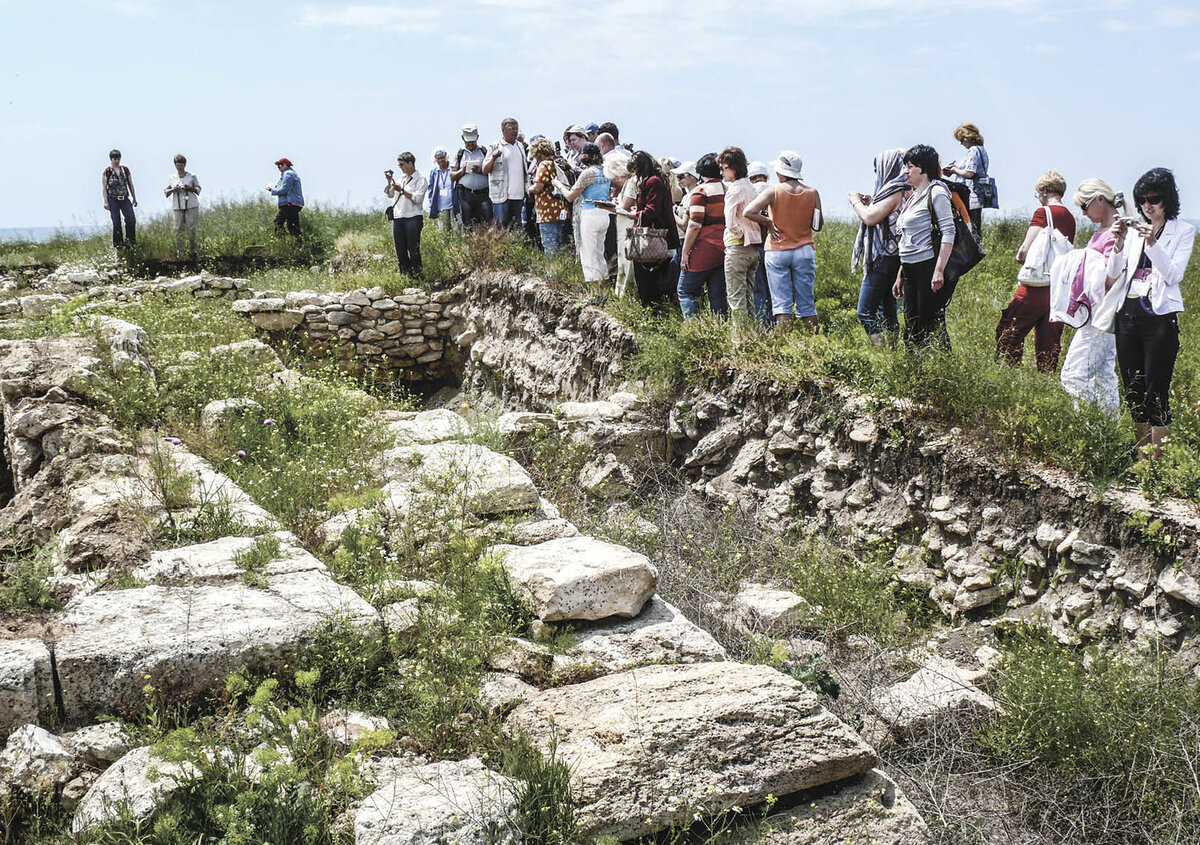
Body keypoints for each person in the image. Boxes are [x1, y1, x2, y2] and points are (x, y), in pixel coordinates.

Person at [1109, 168, 1195, 458]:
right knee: (1133, 390)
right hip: (1128, 314)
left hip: (1159, 318)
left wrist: (1153, 244)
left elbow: (1173, 275)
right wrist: (1119, 243)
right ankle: (1141, 458)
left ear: (1167, 200)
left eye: (1155, 199)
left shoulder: (1182, 231)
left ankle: (1156, 462)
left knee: (1156, 392)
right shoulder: (1134, 229)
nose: (1148, 206)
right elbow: (1113, 273)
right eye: (1143, 200)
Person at [995, 170, 1076, 371]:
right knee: (1049, 339)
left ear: (1045, 190)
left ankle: (1008, 372)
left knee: (1009, 330)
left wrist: (1020, 258)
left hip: (1036, 286)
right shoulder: (1070, 217)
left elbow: (1025, 249)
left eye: (1038, 193)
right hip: (1058, 288)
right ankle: (1045, 378)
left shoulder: (1043, 213)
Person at [1057, 178, 1125, 414]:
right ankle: (1107, 430)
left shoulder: (1116, 232)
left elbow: (1112, 279)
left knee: (1073, 375)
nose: (1083, 213)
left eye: (1085, 206)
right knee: (1103, 375)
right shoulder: (1104, 231)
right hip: (1100, 315)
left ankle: (1084, 430)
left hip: (1100, 316)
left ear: (1099, 199)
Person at [744, 151, 822, 331]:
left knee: (782, 305)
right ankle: (816, 345)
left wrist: (768, 222)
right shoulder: (812, 192)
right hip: (804, 250)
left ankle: (782, 347)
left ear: (781, 172)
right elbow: (817, 225)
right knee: (807, 304)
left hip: (777, 250)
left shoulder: (773, 191)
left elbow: (748, 211)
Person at [889, 144, 956, 349]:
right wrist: (901, 273)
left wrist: (939, 270)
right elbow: (908, 237)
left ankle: (942, 368)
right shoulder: (915, 195)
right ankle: (915, 371)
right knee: (911, 325)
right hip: (910, 267)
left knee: (929, 323)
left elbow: (948, 231)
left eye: (910, 166)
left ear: (923, 168)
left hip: (927, 266)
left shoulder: (936, 192)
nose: (906, 171)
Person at [848, 149, 908, 346]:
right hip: (897, 257)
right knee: (889, 307)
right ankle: (891, 351)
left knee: (865, 311)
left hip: (883, 257)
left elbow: (870, 218)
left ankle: (881, 349)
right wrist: (871, 202)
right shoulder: (906, 189)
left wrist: (855, 201)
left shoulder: (893, 191)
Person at [612, 151, 680, 308]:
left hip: (654, 237)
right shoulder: (660, 180)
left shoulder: (652, 182)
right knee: (660, 281)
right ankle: (657, 311)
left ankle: (651, 311)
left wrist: (631, 214)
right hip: (663, 236)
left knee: (648, 281)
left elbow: (651, 211)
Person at [554, 143, 611, 293]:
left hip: (589, 214)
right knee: (599, 253)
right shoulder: (605, 171)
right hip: (604, 214)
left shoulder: (587, 173)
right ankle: (604, 291)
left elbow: (571, 196)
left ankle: (595, 293)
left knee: (588, 254)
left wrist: (558, 184)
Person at [677, 153, 728, 320]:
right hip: (724, 246)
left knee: (685, 290)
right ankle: (720, 329)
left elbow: (694, 224)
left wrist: (685, 251)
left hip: (703, 246)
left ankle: (694, 330)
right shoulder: (727, 189)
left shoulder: (700, 192)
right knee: (718, 294)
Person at [719, 146, 763, 322]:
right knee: (748, 297)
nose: (722, 172)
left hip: (737, 247)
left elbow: (730, 222)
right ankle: (751, 337)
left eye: (724, 168)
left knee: (736, 299)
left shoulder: (734, 189)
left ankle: (739, 341)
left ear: (733, 168)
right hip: (753, 248)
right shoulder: (751, 188)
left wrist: (740, 234)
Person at [943, 122, 990, 236]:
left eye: (962, 140)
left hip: (972, 194)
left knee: (970, 225)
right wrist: (956, 169)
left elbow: (969, 173)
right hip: (979, 194)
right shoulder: (981, 150)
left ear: (968, 138)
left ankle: (973, 250)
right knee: (975, 224)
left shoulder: (973, 151)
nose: (962, 143)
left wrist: (954, 170)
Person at [385, 152, 427, 276]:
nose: (401, 168)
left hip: (413, 217)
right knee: (400, 251)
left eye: (402, 165)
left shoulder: (421, 179)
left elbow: (418, 199)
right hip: (398, 218)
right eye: (399, 165)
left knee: (413, 249)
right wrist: (389, 182)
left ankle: (418, 277)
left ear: (410, 163)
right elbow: (391, 194)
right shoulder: (401, 180)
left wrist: (402, 190)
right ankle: (405, 277)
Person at [482, 117, 527, 230]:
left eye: (516, 128)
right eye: (511, 128)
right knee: (501, 228)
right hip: (502, 195)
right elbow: (485, 170)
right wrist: (493, 158)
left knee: (517, 228)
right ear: (503, 130)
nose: (514, 131)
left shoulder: (520, 146)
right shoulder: (495, 146)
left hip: (519, 195)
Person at [528, 137, 567, 256]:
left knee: (550, 245)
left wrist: (529, 189)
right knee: (560, 244)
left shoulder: (544, 165)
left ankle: (552, 272)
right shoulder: (558, 162)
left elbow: (538, 187)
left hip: (546, 211)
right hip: (560, 208)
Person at [748, 160, 774, 329]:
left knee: (758, 289)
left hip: (755, 244)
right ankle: (775, 324)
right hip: (774, 245)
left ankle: (762, 326)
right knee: (774, 289)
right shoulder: (774, 189)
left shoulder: (751, 191)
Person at [451, 124, 491, 228]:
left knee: (486, 223)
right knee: (467, 224)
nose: (470, 144)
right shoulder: (459, 154)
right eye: (468, 142)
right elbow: (452, 176)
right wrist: (462, 171)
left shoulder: (484, 152)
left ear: (477, 137)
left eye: (472, 141)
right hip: (465, 195)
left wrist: (480, 170)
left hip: (484, 194)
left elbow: (491, 171)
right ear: (463, 138)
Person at [163, 154, 201, 260]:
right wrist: (173, 189)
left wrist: (189, 188)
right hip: (177, 206)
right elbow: (166, 191)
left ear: (185, 165)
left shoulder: (191, 176)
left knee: (192, 228)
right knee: (178, 229)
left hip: (191, 205)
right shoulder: (171, 178)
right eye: (177, 165)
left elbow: (198, 189)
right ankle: (181, 253)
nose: (179, 167)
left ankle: (193, 252)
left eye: (181, 165)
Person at [102, 149, 137, 248]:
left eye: (118, 159)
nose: (116, 161)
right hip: (113, 198)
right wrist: (105, 201)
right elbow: (104, 187)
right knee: (116, 221)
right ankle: (118, 243)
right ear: (111, 159)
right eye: (114, 159)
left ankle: (131, 240)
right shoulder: (107, 171)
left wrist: (134, 197)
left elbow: (130, 184)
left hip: (124, 198)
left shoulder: (125, 170)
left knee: (131, 219)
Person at [267, 157, 304, 237]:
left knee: (278, 221)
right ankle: (296, 244)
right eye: (278, 165)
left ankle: (282, 241)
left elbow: (284, 189)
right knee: (292, 226)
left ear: (286, 165)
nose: (279, 167)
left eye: (280, 165)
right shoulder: (286, 175)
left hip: (289, 204)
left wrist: (272, 190)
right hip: (291, 204)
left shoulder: (288, 174)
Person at [428, 148, 458, 234]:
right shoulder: (434, 172)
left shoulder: (453, 169)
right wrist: (431, 202)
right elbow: (431, 188)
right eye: (438, 158)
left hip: (454, 206)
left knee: (457, 230)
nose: (441, 160)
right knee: (444, 232)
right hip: (441, 207)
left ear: (446, 157)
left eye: (442, 157)